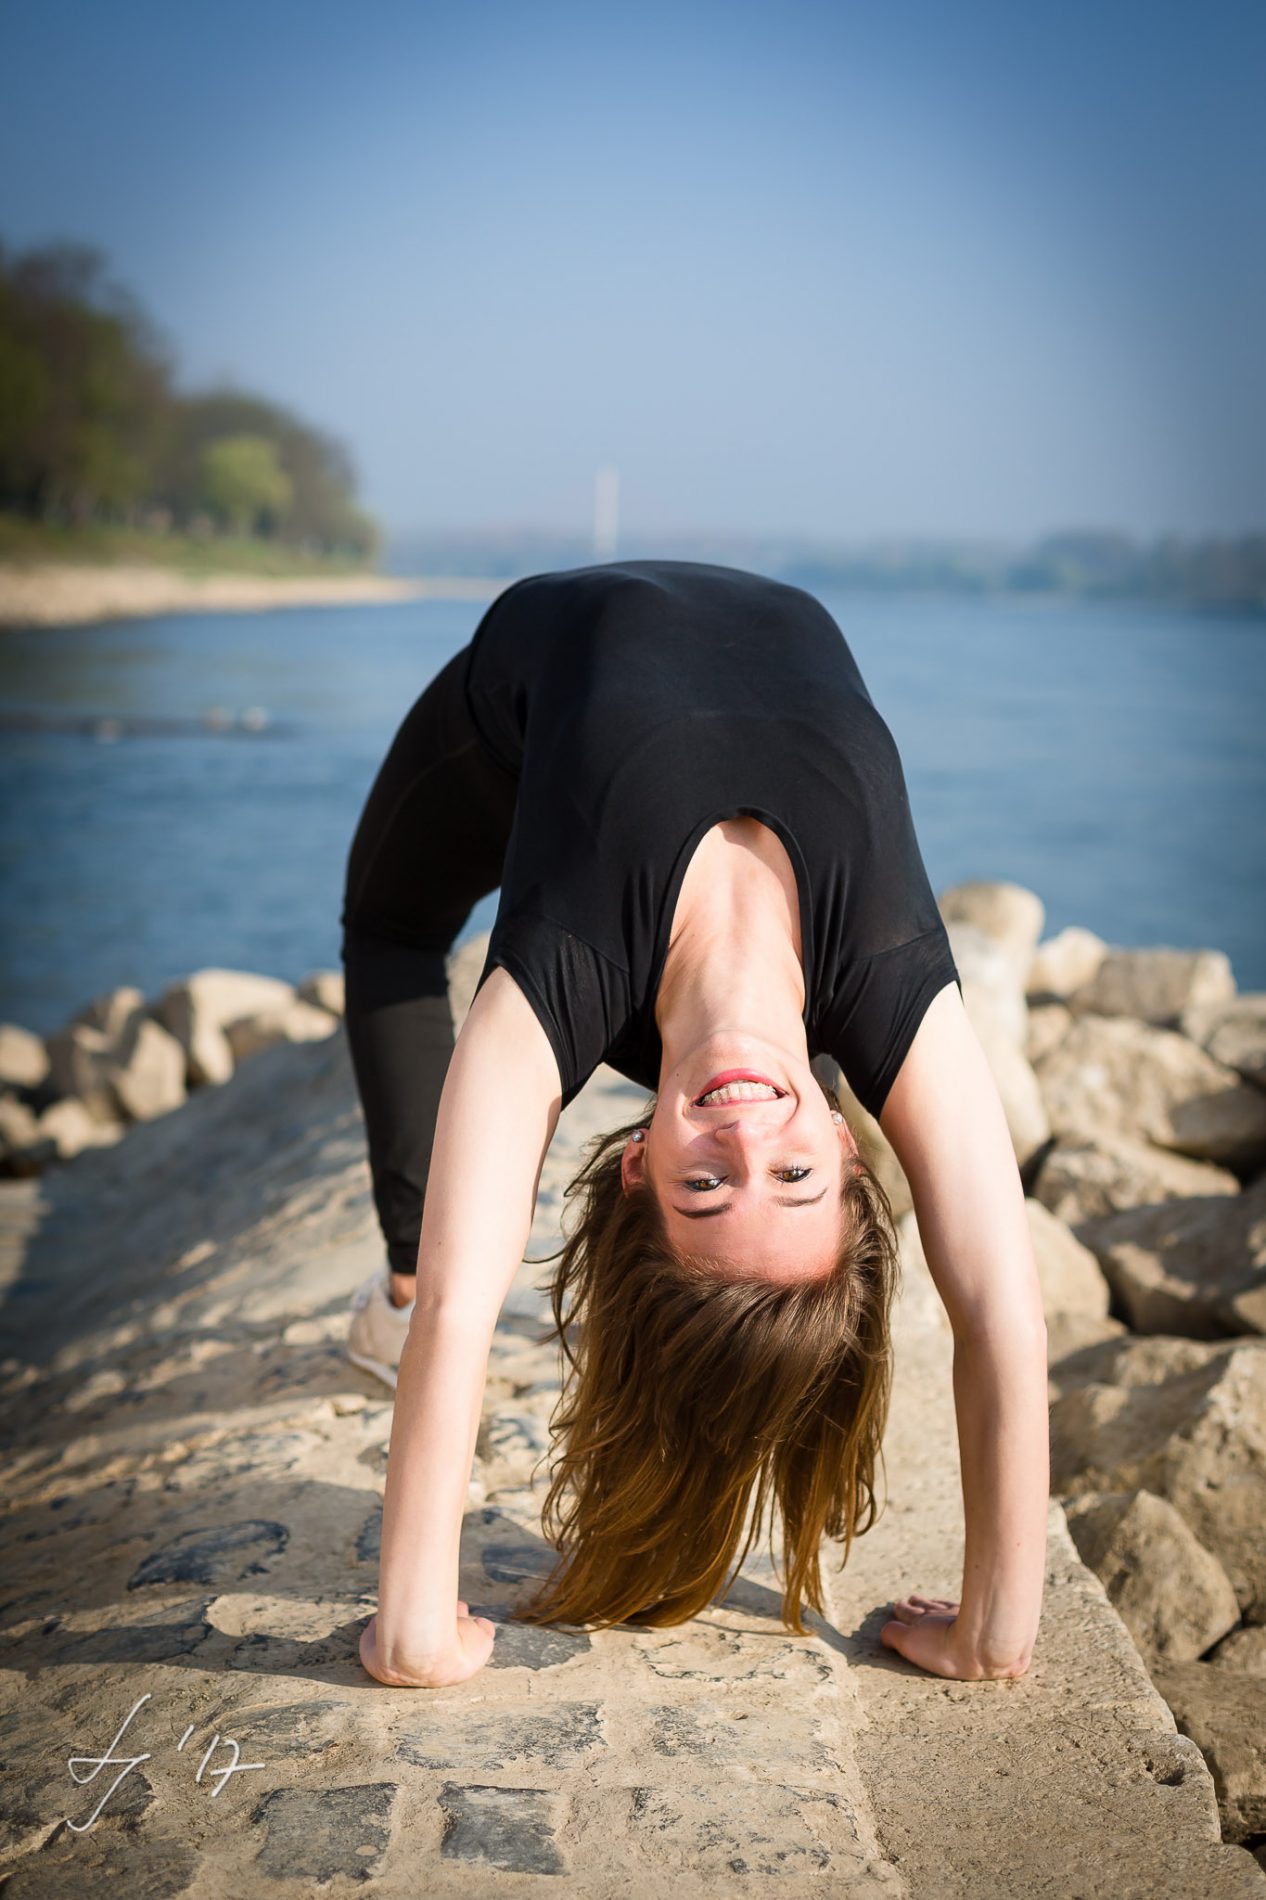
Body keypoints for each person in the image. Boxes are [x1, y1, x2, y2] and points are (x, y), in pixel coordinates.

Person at [339, 559, 1049, 1690]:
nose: (745, 1136)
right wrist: (995, 1633)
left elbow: (468, 1308)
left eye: (706, 1190)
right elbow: (1003, 1309)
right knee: (391, 932)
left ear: (635, 1164)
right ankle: (402, 1285)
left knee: (389, 928)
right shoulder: (887, 971)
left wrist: (415, 1625)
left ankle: (396, 1292)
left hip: (538, 689)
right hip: (683, 616)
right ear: (848, 1140)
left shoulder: (566, 968)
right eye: (798, 1175)